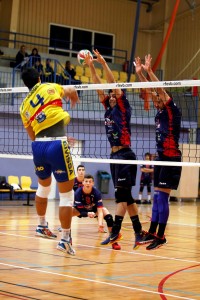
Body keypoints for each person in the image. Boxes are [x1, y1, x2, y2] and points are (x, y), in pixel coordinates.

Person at [85, 49, 145, 249]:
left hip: (125, 155)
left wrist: (103, 63)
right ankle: (138, 233)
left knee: (121, 195)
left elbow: (112, 83)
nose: (110, 95)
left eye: (113, 93)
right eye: (109, 94)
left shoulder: (122, 105)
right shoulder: (108, 107)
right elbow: (97, 86)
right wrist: (91, 66)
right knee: (126, 197)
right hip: (114, 156)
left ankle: (116, 233)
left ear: (118, 94)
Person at [20, 67, 80, 255]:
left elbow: (32, 135)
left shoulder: (23, 106)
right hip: (57, 144)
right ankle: (65, 239)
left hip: (38, 147)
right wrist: (74, 98)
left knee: (43, 188)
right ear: (39, 78)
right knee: (67, 196)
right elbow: (71, 90)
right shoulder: (49, 86)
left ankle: (41, 225)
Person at [135, 54, 182, 250]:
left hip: (171, 158)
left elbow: (159, 89)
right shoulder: (160, 110)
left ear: (165, 99)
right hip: (161, 157)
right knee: (156, 197)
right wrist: (139, 74)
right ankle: (152, 232)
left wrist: (150, 71)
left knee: (162, 197)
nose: (155, 100)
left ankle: (161, 236)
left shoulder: (172, 110)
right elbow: (150, 90)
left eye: (158, 99)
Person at [73, 174, 121, 250]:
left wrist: (100, 224)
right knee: (68, 212)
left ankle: (114, 241)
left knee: (108, 216)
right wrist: (87, 213)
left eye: (90, 181)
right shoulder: (78, 193)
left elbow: (100, 210)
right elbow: (81, 210)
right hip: (81, 210)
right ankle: (67, 238)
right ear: (83, 183)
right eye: (86, 181)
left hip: (93, 210)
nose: (88, 183)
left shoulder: (96, 193)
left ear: (93, 183)